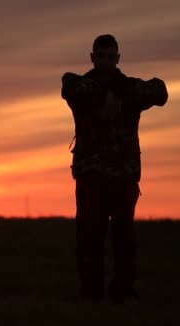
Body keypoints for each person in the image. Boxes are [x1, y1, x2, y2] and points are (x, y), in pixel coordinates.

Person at [61, 34, 168, 304]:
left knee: (125, 241)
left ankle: (123, 292)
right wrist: (112, 91)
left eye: (111, 57)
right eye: (101, 56)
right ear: (92, 57)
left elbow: (160, 91)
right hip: (91, 177)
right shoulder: (81, 87)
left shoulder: (129, 88)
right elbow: (69, 85)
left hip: (123, 178)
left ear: (118, 59)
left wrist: (119, 88)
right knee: (89, 239)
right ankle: (91, 294)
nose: (106, 62)